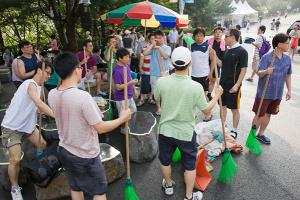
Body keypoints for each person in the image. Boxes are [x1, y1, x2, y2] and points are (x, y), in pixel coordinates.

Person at [48, 52, 131, 200]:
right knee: (99, 192)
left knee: (75, 186)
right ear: (76, 70)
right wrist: (122, 118)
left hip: (65, 149)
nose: (82, 69)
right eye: (80, 67)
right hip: (85, 154)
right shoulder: (82, 97)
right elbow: (100, 127)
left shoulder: (52, 94)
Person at [154, 46, 223, 200]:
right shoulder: (196, 87)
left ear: (172, 63)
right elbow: (206, 111)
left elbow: (156, 98)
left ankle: (169, 185)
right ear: (190, 63)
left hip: (165, 130)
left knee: (165, 160)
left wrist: (163, 79)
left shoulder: (162, 81)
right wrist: (216, 95)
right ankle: (189, 196)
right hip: (185, 132)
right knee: (189, 165)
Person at [1, 62, 54, 200]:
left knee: (42, 144)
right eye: (47, 73)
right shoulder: (29, 84)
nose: (48, 76)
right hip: (11, 127)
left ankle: (36, 167)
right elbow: (38, 102)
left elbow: (38, 107)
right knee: (15, 159)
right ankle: (14, 188)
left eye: (50, 74)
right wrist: (57, 116)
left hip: (27, 126)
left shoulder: (40, 88)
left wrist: (39, 112)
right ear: (38, 71)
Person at [252, 33, 292, 144]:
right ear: (279, 44)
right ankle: (252, 136)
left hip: (277, 93)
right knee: (259, 115)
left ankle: (261, 134)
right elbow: (259, 73)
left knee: (269, 114)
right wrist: (266, 71)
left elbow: (288, 75)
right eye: (287, 43)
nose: (289, 45)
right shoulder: (267, 57)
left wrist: (289, 90)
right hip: (264, 93)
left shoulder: (287, 59)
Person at [220, 29, 248, 139]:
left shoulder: (242, 51)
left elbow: (244, 69)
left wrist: (237, 85)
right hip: (223, 84)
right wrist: (213, 56)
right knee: (222, 106)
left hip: (233, 86)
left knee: (234, 108)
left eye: (226, 36)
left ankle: (234, 130)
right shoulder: (227, 50)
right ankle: (223, 126)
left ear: (232, 37)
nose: (224, 38)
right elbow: (222, 65)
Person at [191, 27, 216, 121]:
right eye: (197, 35)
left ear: (204, 36)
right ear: (194, 36)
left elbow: (213, 60)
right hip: (194, 75)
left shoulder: (208, 47)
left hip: (204, 75)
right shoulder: (191, 46)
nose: (199, 37)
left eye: (201, 35)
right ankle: (192, 114)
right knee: (193, 95)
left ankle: (208, 114)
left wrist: (210, 72)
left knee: (203, 95)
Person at [144, 30, 171, 116]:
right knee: (155, 92)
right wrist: (152, 45)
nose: (158, 39)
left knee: (165, 91)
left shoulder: (167, 47)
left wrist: (159, 48)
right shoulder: (152, 47)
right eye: (156, 38)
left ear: (163, 38)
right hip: (153, 73)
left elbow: (166, 56)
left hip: (164, 73)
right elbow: (144, 53)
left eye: (160, 37)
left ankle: (165, 107)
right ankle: (158, 108)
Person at [112, 48, 138, 121]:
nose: (128, 59)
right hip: (121, 98)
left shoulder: (126, 66)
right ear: (120, 58)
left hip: (129, 95)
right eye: (126, 57)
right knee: (123, 118)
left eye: (128, 56)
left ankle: (131, 128)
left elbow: (129, 79)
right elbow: (118, 87)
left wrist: (134, 89)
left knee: (133, 112)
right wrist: (131, 83)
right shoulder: (117, 71)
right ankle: (124, 131)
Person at [207, 27, 226, 100]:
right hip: (207, 64)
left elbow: (224, 56)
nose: (218, 34)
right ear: (214, 33)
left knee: (213, 80)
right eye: (216, 32)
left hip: (216, 65)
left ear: (222, 34)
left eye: (220, 32)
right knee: (206, 80)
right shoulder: (209, 41)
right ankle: (204, 93)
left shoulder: (224, 44)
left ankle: (209, 94)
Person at [137, 33, 155, 107]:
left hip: (154, 71)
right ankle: (141, 99)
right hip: (146, 70)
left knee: (152, 85)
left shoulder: (157, 48)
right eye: (152, 39)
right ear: (149, 39)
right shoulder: (145, 48)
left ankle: (150, 98)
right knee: (144, 85)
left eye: (155, 38)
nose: (154, 40)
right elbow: (142, 58)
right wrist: (140, 68)